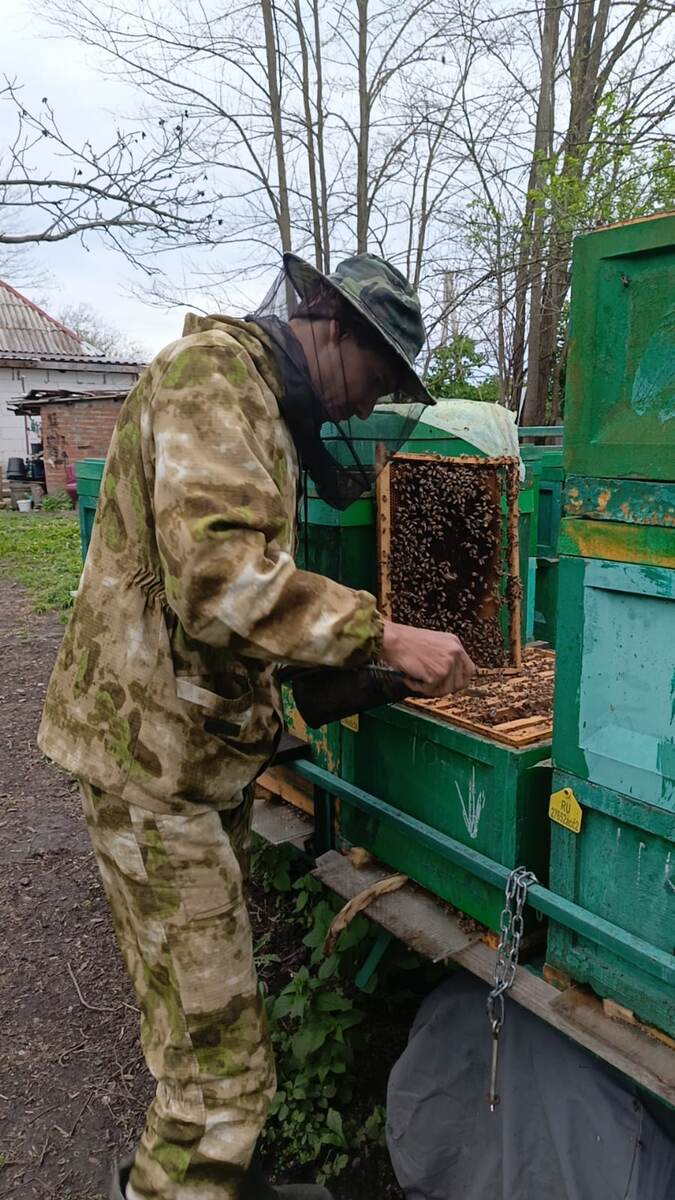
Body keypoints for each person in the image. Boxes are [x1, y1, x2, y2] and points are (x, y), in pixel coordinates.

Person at [38, 251, 476, 1200]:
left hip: (192, 757)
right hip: (153, 769)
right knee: (221, 1084)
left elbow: (225, 619)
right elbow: (218, 585)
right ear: (329, 325)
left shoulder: (253, 404)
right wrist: (386, 636)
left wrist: (338, 680)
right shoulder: (210, 380)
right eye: (378, 376)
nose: (369, 408)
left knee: (196, 1030)